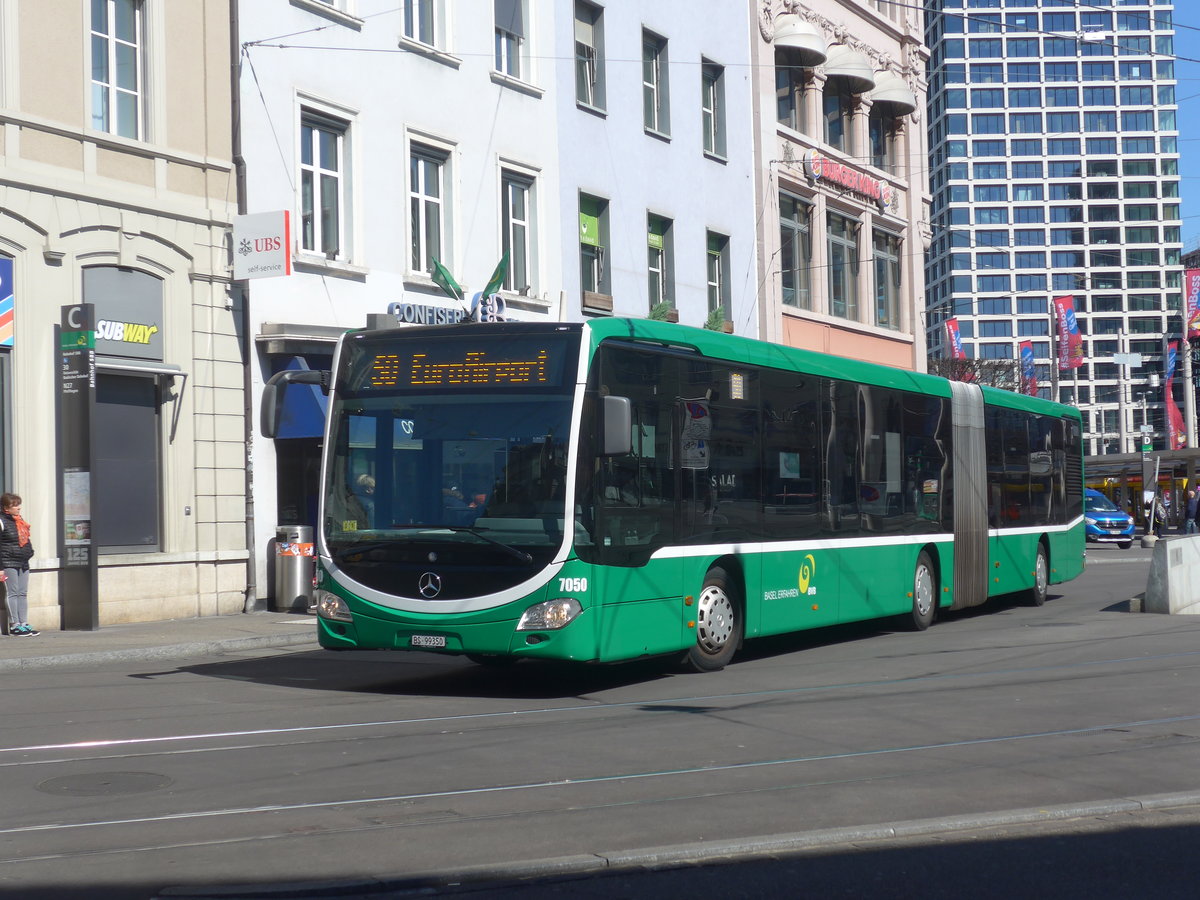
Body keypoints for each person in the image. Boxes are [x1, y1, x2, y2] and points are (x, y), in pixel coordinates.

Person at [0, 492, 37, 636]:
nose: (18, 508)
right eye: (14, 505)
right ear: (6, 508)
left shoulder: (19, 521)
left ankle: (23, 623)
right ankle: (14, 625)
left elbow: (26, 538)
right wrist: (1, 568)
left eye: (18, 505)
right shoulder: (2, 521)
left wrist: (30, 552)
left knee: (22, 593)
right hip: (8, 562)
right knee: (12, 593)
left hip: (23, 561)